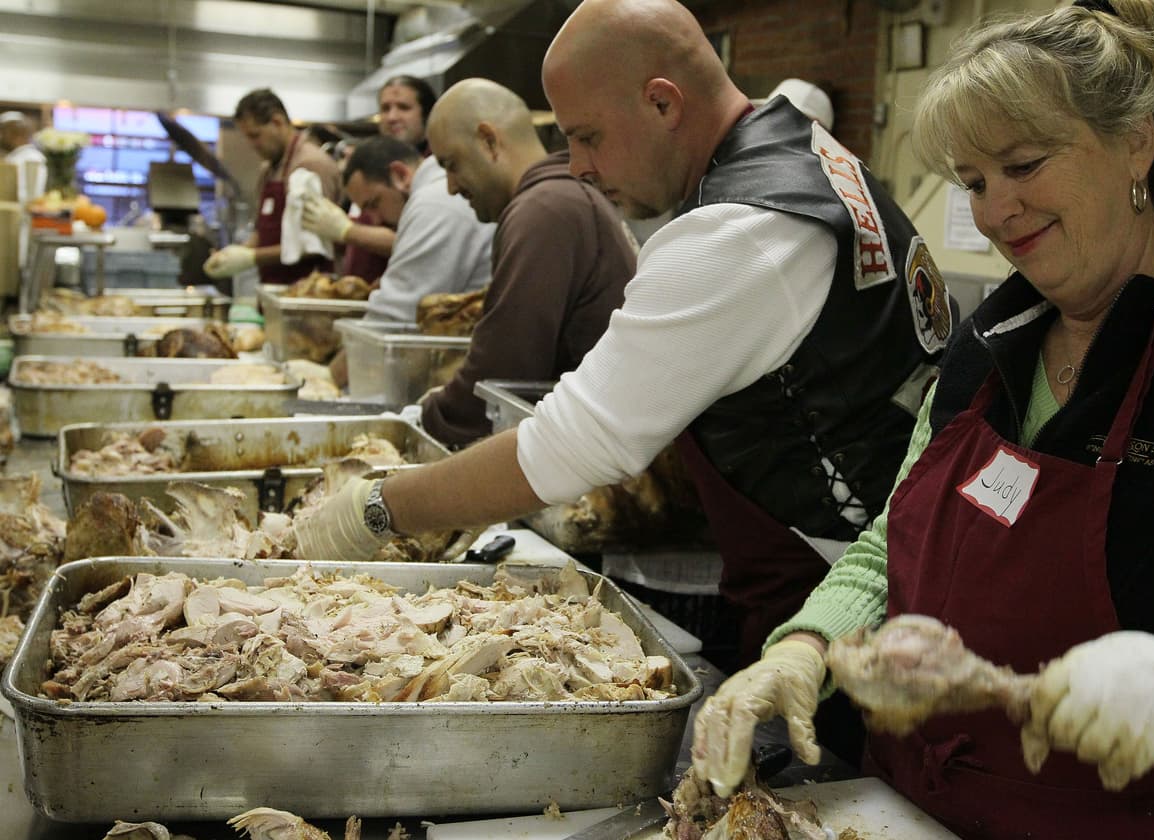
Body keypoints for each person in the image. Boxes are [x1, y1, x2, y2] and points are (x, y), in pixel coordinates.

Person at [691, 1, 1154, 837]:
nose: (997, 211)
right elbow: (889, 545)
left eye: (1025, 164)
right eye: (973, 181)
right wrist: (805, 647)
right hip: (903, 812)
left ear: (1136, 144)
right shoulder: (985, 349)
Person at [294, 0, 946, 740]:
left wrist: (376, 509)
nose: (578, 166)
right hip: (864, 579)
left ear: (663, 102)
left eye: (586, 136)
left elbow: (568, 448)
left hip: (849, 609)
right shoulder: (805, 151)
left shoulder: (737, 231)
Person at [418, 77, 634, 447]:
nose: (452, 187)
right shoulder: (556, 199)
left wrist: (431, 414)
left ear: (489, 140)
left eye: (451, 164)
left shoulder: (544, 210)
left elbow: (502, 371)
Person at [338, 135, 492, 325]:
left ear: (400, 174)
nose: (375, 220)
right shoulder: (433, 197)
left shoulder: (433, 204)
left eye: (375, 203)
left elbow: (394, 319)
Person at [302, 76, 440, 282]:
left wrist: (346, 230)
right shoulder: (367, 163)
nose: (392, 117)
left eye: (403, 107)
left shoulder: (439, 174)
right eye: (385, 108)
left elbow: (419, 243)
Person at [204, 89, 341, 285]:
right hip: (272, 289)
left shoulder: (310, 165)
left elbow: (312, 245)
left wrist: (251, 257)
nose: (252, 145)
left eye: (255, 135)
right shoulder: (268, 169)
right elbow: (263, 231)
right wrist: (237, 253)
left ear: (277, 122)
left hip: (306, 291)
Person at [0, 111, 47, 277]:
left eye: (2, 131)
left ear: (15, 133)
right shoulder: (13, 159)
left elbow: (26, 199)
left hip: (18, 230)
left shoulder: (30, 160)